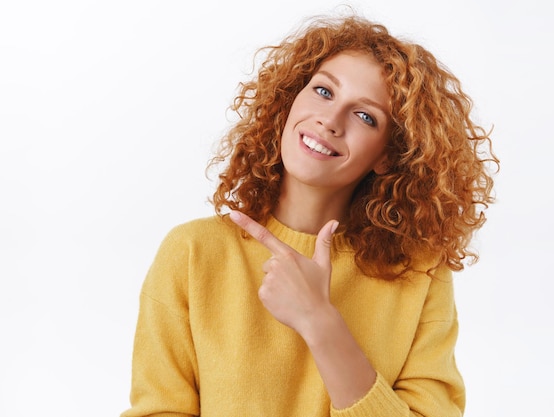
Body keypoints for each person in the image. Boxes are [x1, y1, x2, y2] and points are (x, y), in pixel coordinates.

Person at [120, 11, 498, 417]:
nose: (330, 120)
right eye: (323, 91)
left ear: (387, 156)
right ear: (290, 100)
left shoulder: (419, 274)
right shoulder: (193, 253)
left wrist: (321, 323)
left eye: (365, 116)